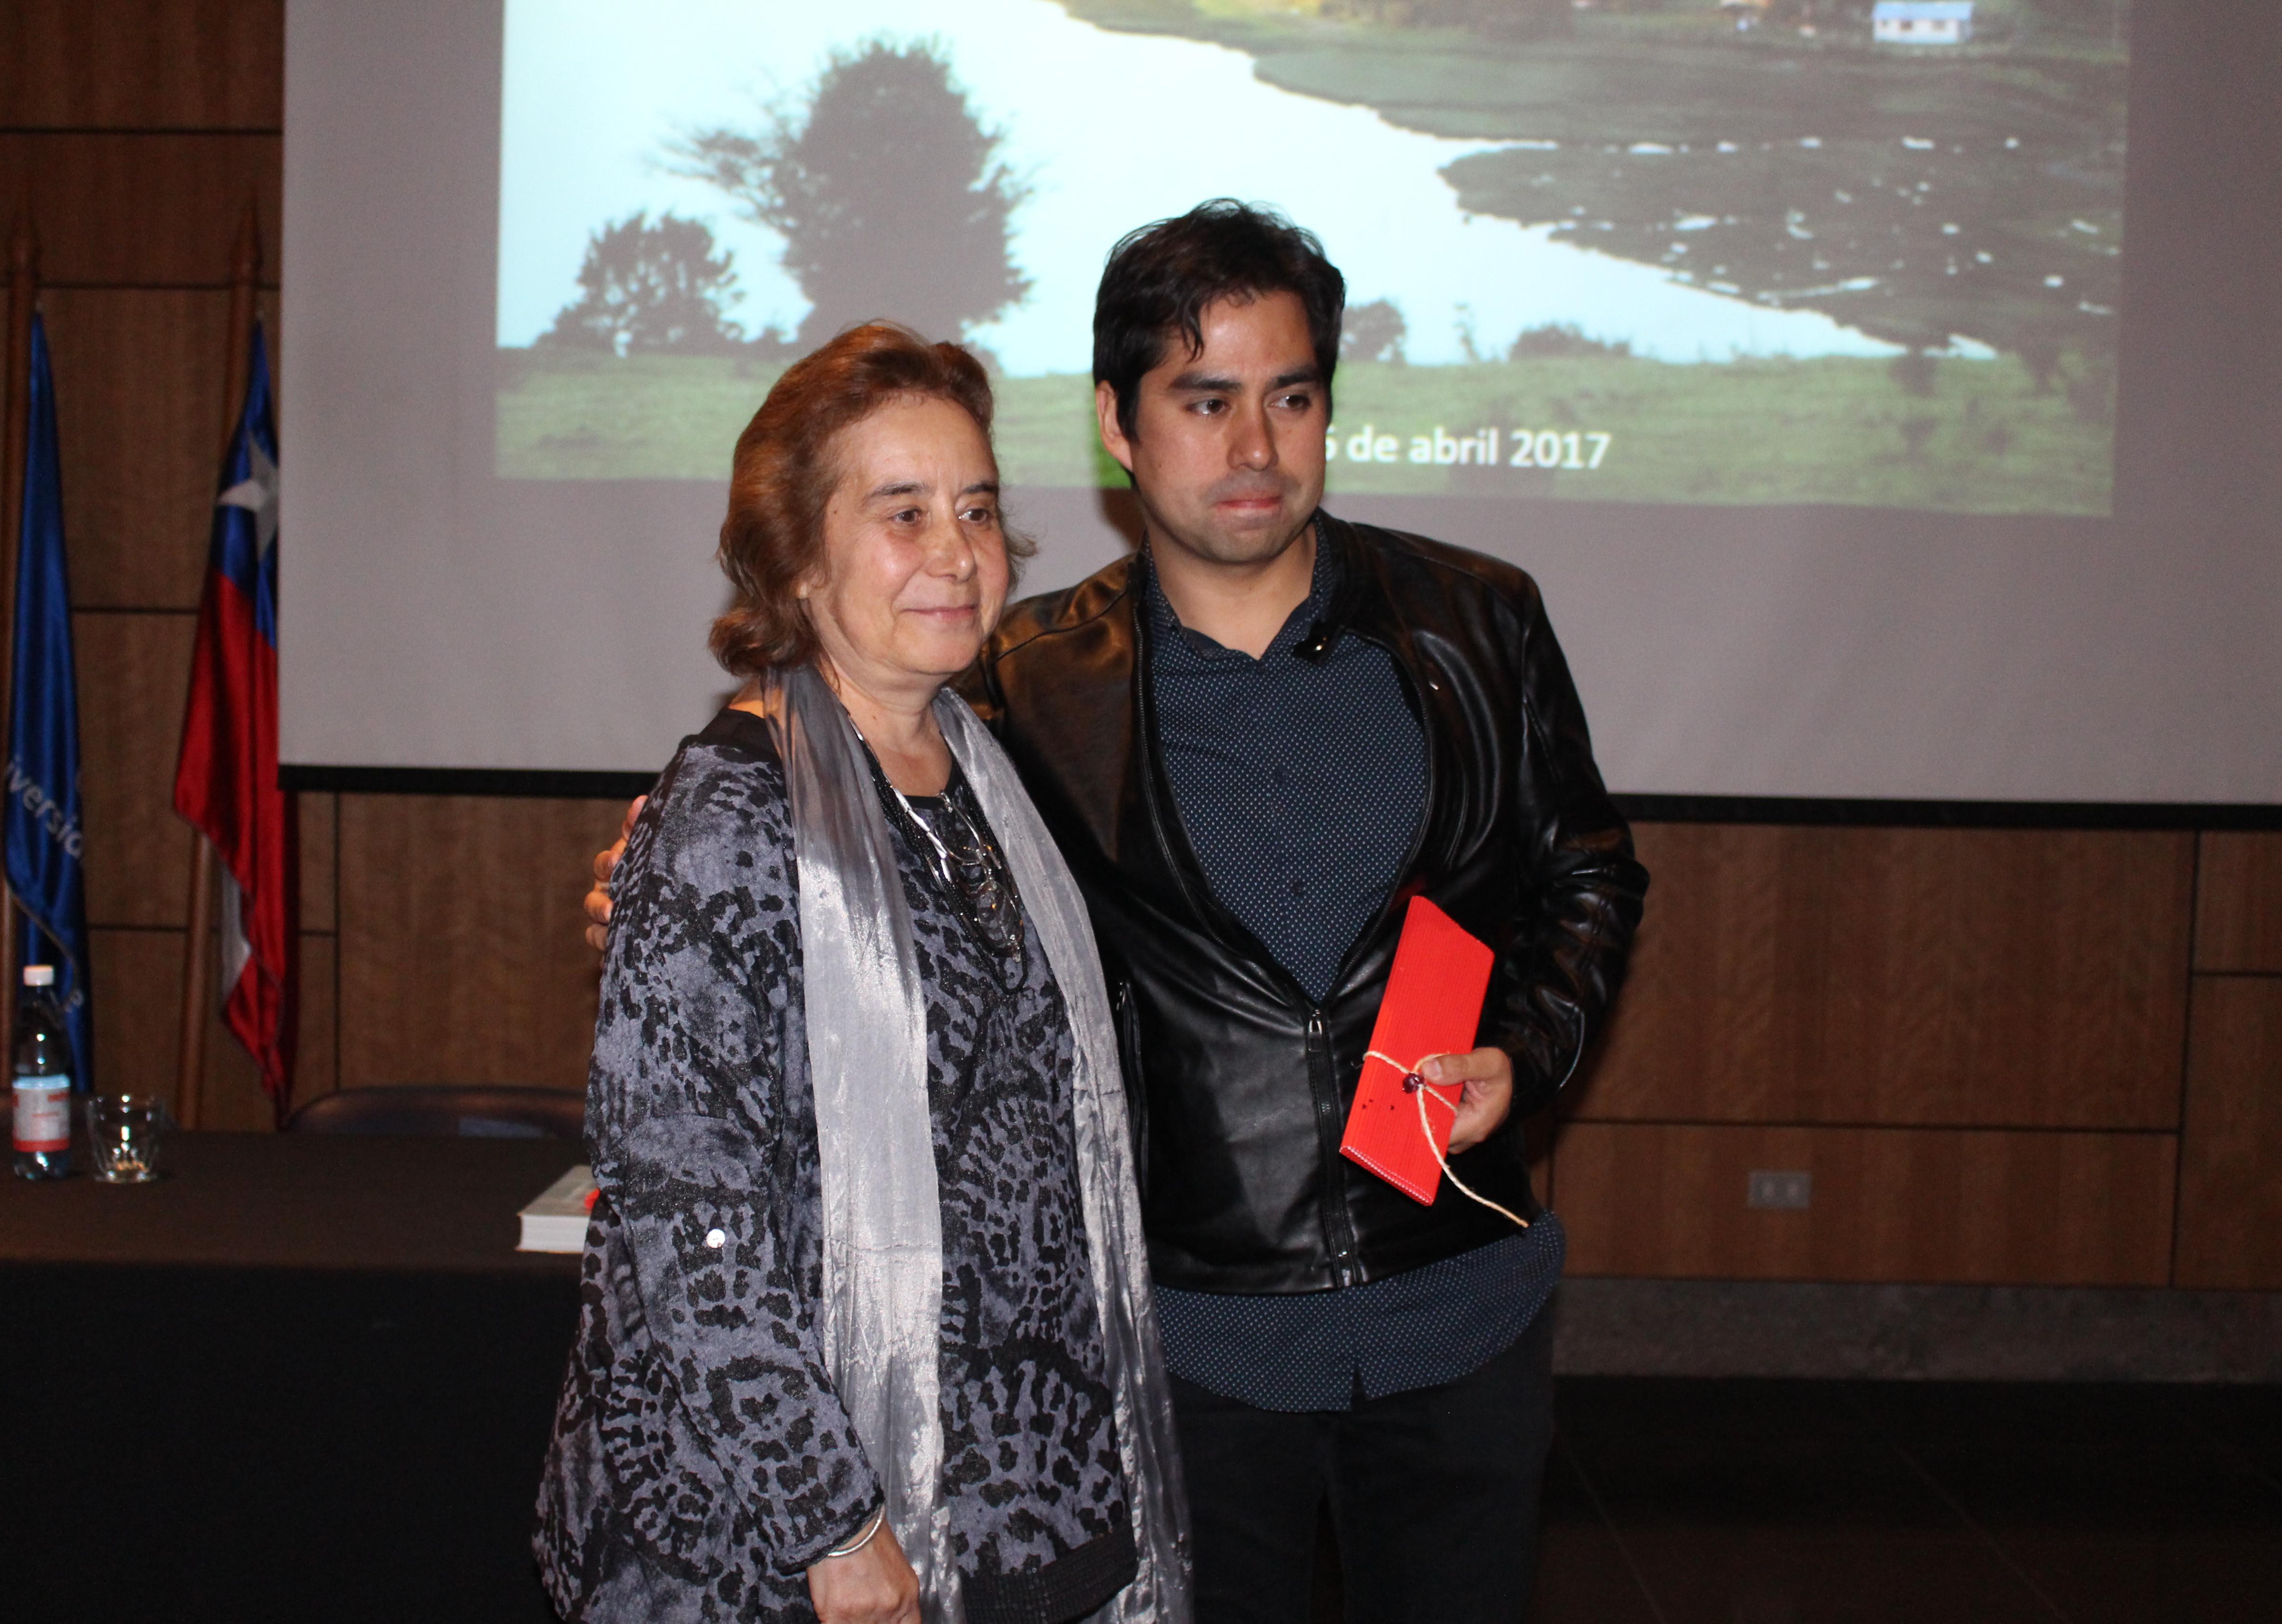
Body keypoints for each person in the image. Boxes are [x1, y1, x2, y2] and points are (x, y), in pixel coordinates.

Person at [589, 203, 1648, 1623]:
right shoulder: (1021, 686)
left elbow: (1586, 868)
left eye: (1290, 397)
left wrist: (1529, 1045)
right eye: (1204, 401)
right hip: (1185, 1345)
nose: (1254, 447)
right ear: (1118, 421)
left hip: (1461, 1303)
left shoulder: (1480, 621)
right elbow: (838, 820)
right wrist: (669, 887)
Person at [538, 323, 1191, 1624]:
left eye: (979, 509)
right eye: (904, 513)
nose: (958, 552)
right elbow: (685, 1222)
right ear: (798, 555)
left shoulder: (990, 783)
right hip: (789, 1541)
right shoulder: (731, 816)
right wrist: (833, 1520)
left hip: (1023, 1502)